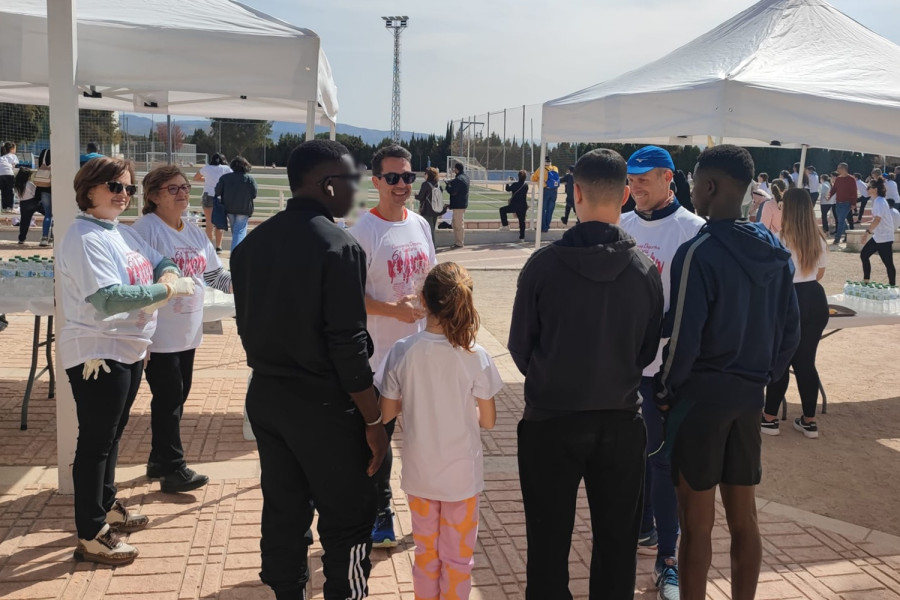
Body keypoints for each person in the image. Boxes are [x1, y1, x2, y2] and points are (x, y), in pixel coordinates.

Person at [231, 139, 388, 600]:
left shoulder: (251, 245)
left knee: (284, 508)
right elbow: (348, 346)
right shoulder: (338, 245)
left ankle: (287, 593)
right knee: (350, 517)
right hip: (325, 405)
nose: (356, 190)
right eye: (353, 180)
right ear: (326, 183)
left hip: (267, 396)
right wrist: (373, 419)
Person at [510, 148, 664, 599]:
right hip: (619, 420)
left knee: (548, 544)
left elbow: (522, 348)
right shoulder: (644, 270)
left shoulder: (543, 266)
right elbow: (646, 350)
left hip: (551, 421)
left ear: (575, 193)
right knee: (617, 545)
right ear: (624, 196)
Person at [655, 145, 799, 600]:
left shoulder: (698, 251)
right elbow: (789, 330)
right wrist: (764, 376)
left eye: (695, 181)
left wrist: (665, 390)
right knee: (744, 518)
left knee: (695, 526)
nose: (690, 189)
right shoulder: (774, 248)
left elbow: (683, 339)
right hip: (748, 396)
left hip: (699, 400)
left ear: (711, 187)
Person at [57, 156, 195, 565]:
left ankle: (105, 504)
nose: (123, 195)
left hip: (129, 349)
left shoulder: (119, 232)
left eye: (129, 189)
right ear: (89, 189)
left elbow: (163, 260)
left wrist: (165, 277)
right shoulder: (84, 238)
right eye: (114, 186)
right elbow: (108, 298)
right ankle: (91, 532)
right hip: (98, 351)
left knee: (113, 436)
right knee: (96, 442)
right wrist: (167, 291)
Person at [378, 262, 502, 600]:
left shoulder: (402, 351)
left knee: (425, 555)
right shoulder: (476, 355)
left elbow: (387, 412)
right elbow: (488, 421)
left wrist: (417, 401)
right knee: (458, 561)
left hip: (420, 475)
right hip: (462, 478)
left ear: (423, 299)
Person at [620, 145, 704, 600]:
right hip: (625, 369)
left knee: (663, 463)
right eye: (630, 181)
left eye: (644, 180)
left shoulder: (693, 230)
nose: (635, 188)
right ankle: (645, 528)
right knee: (634, 459)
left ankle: (667, 561)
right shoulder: (623, 225)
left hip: (667, 373)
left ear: (668, 178)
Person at [349, 144, 437, 548]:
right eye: (393, 178)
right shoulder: (361, 233)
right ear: (376, 181)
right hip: (379, 358)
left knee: (422, 439)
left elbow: (432, 284)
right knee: (378, 442)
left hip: (421, 354)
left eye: (408, 176)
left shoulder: (420, 224)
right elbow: (346, 298)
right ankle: (379, 512)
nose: (402, 185)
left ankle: (426, 511)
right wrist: (391, 310)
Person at [133, 165, 235, 494]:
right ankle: (173, 469)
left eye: (184, 187)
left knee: (176, 399)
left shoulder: (192, 230)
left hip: (188, 334)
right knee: (169, 398)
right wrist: (140, 333)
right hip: (159, 334)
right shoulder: (145, 229)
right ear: (152, 196)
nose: (182, 194)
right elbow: (135, 278)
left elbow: (215, 277)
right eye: (172, 189)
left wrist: (256, 283)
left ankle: (158, 460)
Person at [761, 189, 828, 439]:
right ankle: (809, 420)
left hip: (789, 299)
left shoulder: (778, 239)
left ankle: (770, 418)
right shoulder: (818, 238)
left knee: (782, 359)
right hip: (814, 297)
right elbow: (819, 274)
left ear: (788, 209)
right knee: (805, 361)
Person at [215, 156, 257, 251]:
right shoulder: (249, 179)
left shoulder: (224, 178)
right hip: (244, 208)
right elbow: (254, 194)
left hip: (229, 208)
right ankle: (236, 254)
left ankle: (238, 253)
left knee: (236, 231)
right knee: (239, 232)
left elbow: (217, 191)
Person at [860, 178, 896, 286]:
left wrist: (867, 233)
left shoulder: (879, 201)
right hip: (879, 236)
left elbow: (878, 219)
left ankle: (892, 285)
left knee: (888, 263)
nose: (867, 189)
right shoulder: (878, 200)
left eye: (869, 188)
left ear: (875, 189)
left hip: (885, 237)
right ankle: (866, 280)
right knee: (864, 255)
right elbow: (877, 218)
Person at [193, 153, 232, 251]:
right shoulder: (225, 168)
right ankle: (218, 246)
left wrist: (207, 181)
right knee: (219, 223)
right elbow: (231, 178)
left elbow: (195, 178)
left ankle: (208, 247)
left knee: (209, 223)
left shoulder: (206, 168)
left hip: (208, 196)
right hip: (220, 197)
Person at [828, 162, 857, 246]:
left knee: (840, 221)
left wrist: (853, 204)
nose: (837, 170)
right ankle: (848, 235)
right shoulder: (838, 179)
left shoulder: (851, 179)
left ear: (843, 169)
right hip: (838, 203)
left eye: (838, 168)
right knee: (841, 220)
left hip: (846, 203)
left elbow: (854, 192)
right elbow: (834, 189)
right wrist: (829, 195)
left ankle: (837, 239)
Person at [499, 170, 529, 241]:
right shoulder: (526, 185)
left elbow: (508, 189)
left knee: (502, 210)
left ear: (518, 176)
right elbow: (520, 185)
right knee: (522, 221)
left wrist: (507, 182)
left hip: (514, 205)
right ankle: (522, 237)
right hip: (523, 206)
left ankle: (505, 225)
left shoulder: (515, 184)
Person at [532, 155, 560, 233]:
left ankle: (543, 227)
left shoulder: (540, 169)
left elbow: (533, 178)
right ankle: (547, 226)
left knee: (541, 209)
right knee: (550, 210)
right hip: (554, 191)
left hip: (545, 190)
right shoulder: (555, 168)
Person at [445, 162, 470, 248]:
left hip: (458, 205)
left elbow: (453, 191)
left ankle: (459, 243)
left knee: (458, 225)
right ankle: (458, 242)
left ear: (456, 169)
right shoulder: (466, 177)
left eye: (454, 169)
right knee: (456, 223)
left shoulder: (459, 179)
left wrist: (448, 186)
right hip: (462, 203)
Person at [414, 166, 443, 241]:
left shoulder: (425, 184)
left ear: (428, 174)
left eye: (425, 174)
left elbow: (421, 197)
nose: (424, 175)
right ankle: (432, 245)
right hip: (436, 209)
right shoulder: (438, 184)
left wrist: (415, 195)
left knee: (428, 229)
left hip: (427, 210)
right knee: (432, 228)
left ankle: (432, 246)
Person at [0, 141, 19, 211]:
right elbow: (13, 167)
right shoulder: (13, 156)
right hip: (8, 174)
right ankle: (10, 207)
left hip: (0, 174)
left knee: (3, 191)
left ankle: (4, 207)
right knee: (10, 191)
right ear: (12, 149)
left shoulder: (2, 157)